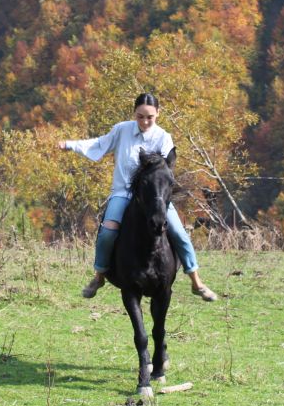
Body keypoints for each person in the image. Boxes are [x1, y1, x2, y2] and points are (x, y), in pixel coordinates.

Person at [59, 93, 218, 302]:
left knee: (179, 233)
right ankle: (99, 276)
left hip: (154, 197)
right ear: (134, 113)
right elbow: (99, 144)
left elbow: (165, 170)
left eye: (149, 117)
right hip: (123, 193)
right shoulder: (121, 130)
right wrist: (71, 145)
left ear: (158, 114)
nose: (144, 121)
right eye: (140, 116)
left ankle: (196, 282)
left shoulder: (163, 138)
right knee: (107, 233)